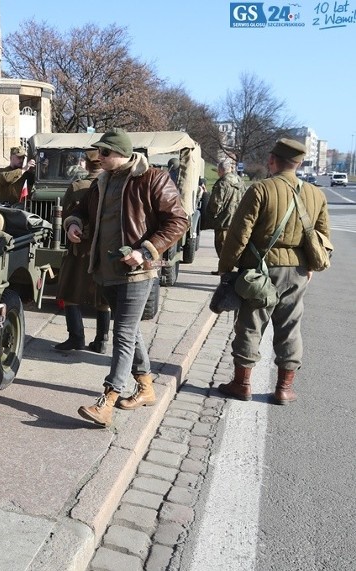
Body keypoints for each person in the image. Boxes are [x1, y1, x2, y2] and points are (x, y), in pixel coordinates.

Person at [66, 128, 188, 427]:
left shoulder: (152, 178)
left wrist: (146, 251)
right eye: (98, 152)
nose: (99, 157)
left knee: (122, 333)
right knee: (130, 332)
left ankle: (107, 399)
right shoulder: (101, 182)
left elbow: (179, 220)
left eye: (104, 152)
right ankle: (146, 388)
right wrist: (73, 224)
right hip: (105, 271)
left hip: (137, 272)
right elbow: (79, 210)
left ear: (120, 152)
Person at [216, 138, 330, 405]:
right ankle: (284, 389)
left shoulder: (260, 190)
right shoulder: (316, 194)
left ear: (272, 160)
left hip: (260, 269)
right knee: (290, 327)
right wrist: (311, 266)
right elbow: (324, 238)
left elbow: (238, 234)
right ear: (299, 164)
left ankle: (242, 384)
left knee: (250, 325)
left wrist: (226, 267)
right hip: (298, 271)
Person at [54, 149, 111, 354]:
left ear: (86, 164)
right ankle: (102, 340)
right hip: (104, 249)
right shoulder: (112, 186)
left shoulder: (77, 186)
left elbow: (69, 215)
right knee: (102, 297)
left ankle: (76, 337)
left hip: (79, 247)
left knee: (70, 292)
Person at [206, 159, 246, 259]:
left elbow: (216, 203)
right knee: (233, 246)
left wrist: (211, 215)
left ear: (220, 170)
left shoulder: (222, 183)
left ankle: (224, 270)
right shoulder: (240, 181)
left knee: (221, 246)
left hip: (223, 221)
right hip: (237, 219)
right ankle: (229, 267)